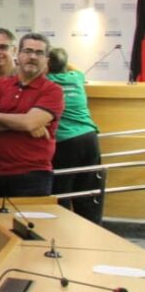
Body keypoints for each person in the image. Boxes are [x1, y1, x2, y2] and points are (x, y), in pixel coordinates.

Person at [0, 33, 64, 198]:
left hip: (32, 176)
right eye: (28, 51)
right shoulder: (0, 85)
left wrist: (26, 122)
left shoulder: (53, 91)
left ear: (47, 60)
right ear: (18, 54)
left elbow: (28, 123)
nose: (32, 56)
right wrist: (24, 122)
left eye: (39, 53)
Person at [46, 48, 103, 223]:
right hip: (90, 138)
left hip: (65, 143)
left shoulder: (46, 81)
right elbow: (74, 68)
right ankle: (91, 231)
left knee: (61, 192)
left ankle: (63, 230)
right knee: (88, 192)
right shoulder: (76, 77)